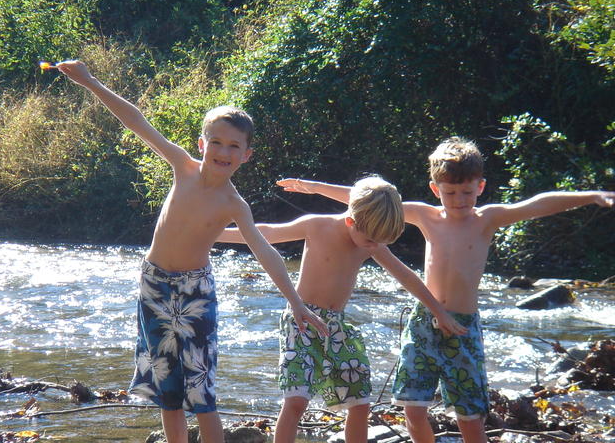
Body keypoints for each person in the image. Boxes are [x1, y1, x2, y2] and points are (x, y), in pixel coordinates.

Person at [53, 60, 328, 443]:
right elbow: (136, 121)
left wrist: (296, 301)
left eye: (234, 146)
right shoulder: (182, 166)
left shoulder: (234, 204)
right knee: (167, 389)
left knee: (200, 391)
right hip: (154, 284)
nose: (223, 151)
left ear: (246, 155)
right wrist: (89, 80)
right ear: (202, 145)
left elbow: (266, 252)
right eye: (215, 142)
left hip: (195, 291)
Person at [277, 137, 615, 443]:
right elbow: (366, 201)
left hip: (463, 326)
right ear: (436, 189)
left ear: (480, 186)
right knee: (413, 408)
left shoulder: (487, 219)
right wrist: (311, 187)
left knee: (470, 414)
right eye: (450, 193)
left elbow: (536, 205)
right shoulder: (426, 216)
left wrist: (588, 197)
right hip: (423, 322)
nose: (459, 200)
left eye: (467, 192)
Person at [217, 175, 467, 443]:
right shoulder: (317, 226)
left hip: (337, 327)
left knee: (360, 402)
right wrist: (213, 233)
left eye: (379, 242)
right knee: (297, 401)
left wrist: (437, 311)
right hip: (302, 320)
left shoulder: (369, 241)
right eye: (371, 240)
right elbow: (265, 233)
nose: (374, 247)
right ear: (351, 221)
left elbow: (405, 276)